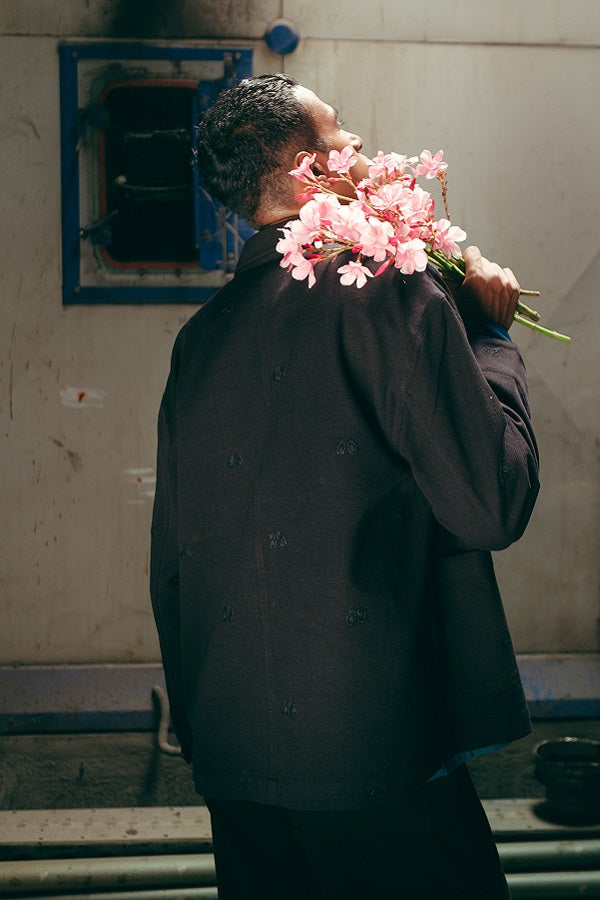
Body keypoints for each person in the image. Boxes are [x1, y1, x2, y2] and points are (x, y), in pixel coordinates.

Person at [150, 73, 539, 899]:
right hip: (369, 751)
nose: (359, 147)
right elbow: (492, 504)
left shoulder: (200, 339)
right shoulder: (393, 295)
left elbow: (172, 568)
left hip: (232, 751)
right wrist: (491, 336)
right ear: (307, 172)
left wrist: (201, 731)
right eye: (340, 137)